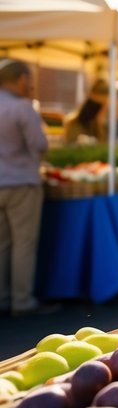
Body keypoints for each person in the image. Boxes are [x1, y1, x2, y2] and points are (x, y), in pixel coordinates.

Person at [0, 60, 53, 315]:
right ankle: (22, 302)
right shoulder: (22, 107)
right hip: (21, 182)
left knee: (2, 243)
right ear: (21, 79)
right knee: (23, 243)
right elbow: (40, 144)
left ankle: (2, 297)